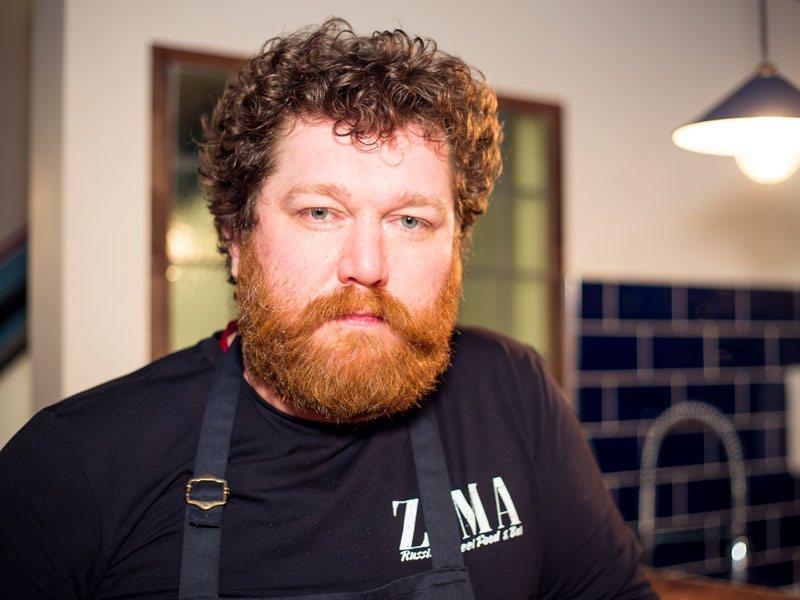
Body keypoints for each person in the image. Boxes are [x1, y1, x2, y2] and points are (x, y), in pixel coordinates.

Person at [0, 19, 656, 599]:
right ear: (236, 238)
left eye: (410, 220)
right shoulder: (75, 464)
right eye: (320, 212)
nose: (366, 265)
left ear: (457, 246)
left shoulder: (511, 392)